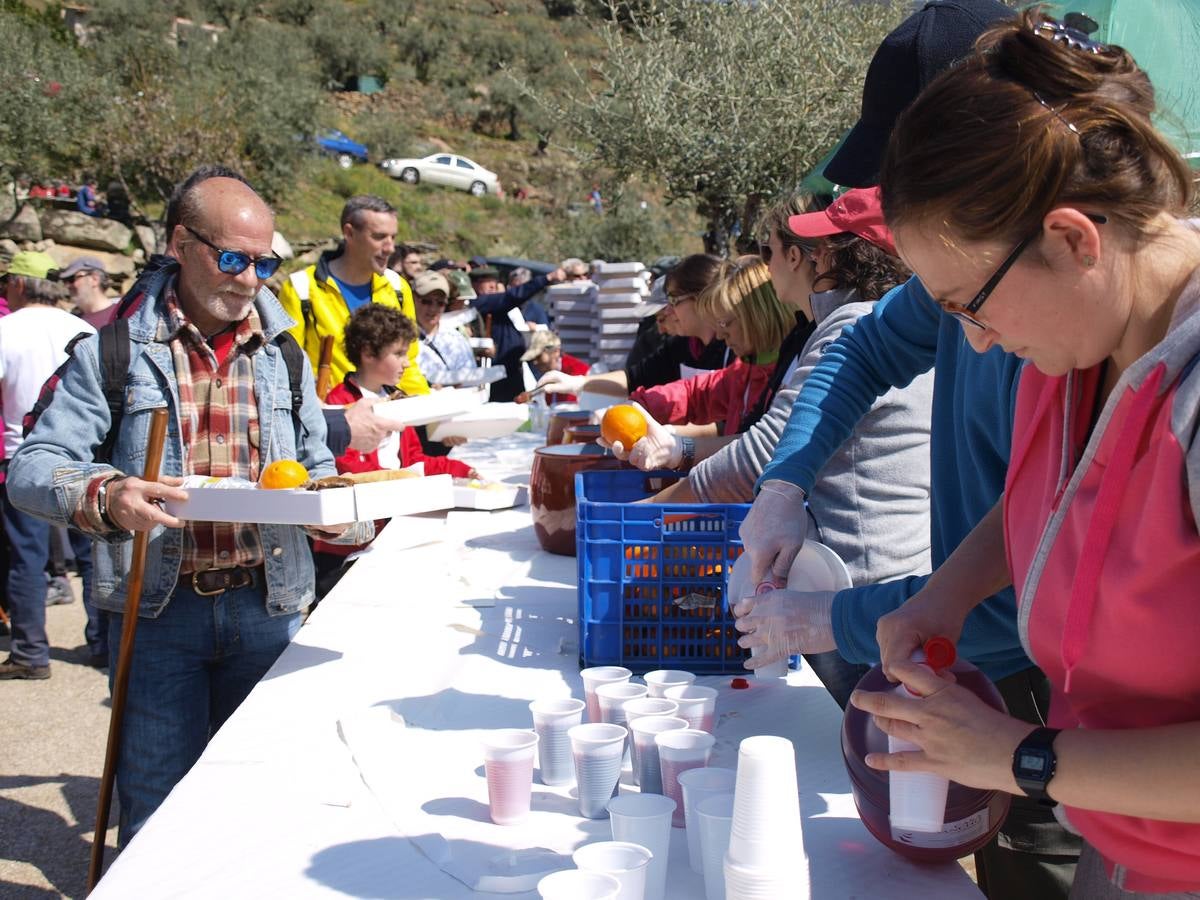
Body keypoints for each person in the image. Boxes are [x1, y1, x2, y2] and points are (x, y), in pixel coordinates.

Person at [733, 0, 1082, 895]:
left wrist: (835, 621)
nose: (968, 336)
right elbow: (863, 347)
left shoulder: (1064, 314)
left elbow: (1048, 567)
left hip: (1050, 696)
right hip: (978, 671)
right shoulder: (982, 276)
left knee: (1037, 866)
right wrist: (786, 482)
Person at [849, 11, 1200, 896]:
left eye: (972, 304)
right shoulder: (1075, 347)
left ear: (1073, 239)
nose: (973, 342)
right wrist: (943, 598)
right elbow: (1062, 502)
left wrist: (1025, 758)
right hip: (1120, 851)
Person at [7, 171, 371, 842]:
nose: (251, 279)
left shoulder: (285, 356)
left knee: (266, 800)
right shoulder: (111, 352)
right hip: (155, 616)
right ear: (180, 243)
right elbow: (29, 469)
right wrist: (107, 494)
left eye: (266, 262)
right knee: (154, 810)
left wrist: (348, 515)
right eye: (233, 258)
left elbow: (317, 469)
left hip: (269, 607)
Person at [314, 305, 477, 595]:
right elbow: (347, 473)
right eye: (399, 353)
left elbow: (414, 461)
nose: (406, 363)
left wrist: (459, 469)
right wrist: (405, 481)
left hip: (391, 531)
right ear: (367, 353)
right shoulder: (339, 407)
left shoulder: (398, 402)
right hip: (344, 547)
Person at [0, 251, 99, 680]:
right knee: (93, 554)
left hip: (19, 459)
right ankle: (104, 641)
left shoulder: (5, 331)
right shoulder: (81, 328)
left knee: (27, 557)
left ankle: (30, 653)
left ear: (20, 284)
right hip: (86, 455)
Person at [617, 257, 792, 438]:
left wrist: (680, 448)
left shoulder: (791, 377)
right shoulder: (745, 369)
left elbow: (752, 447)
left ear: (756, 317)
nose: (720, 335)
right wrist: (641, 406)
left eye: (725, 323)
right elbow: (696, 394)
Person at [278, 195, 429, 396]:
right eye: (379, 237)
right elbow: (287, 368)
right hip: (330, 417)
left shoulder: (398, 288)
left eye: (393, 237)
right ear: (349, 233)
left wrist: (425, 409)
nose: (390, 248)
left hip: (387, 415)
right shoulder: (300, 289)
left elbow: (408, 363)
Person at [537, 254, 731, 399]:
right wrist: (577, 383)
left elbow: (725, 424)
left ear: (700, 299)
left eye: (673, 301)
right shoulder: (681, 346)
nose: (669, 311)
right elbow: (634, 378)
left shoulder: (732, 350)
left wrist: (678, 438)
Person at [469, 263, 566, 402]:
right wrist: (547, 278)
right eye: (486, 281)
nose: (492, 285)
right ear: (475, 285)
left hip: (512, 370)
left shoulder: (497, 305)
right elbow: (513, 296)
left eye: (494, 281)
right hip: (497, 375)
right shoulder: (481, 303)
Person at [413, 270, 477, 386]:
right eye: (426, 301)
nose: (433, 308)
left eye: (440, 303)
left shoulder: (456, 339)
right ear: (413, 299)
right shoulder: (402, 338)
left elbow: (471, 380)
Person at [520, 330, 588, 405]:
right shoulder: (549, 374)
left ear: (556, 351)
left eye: (538, 356)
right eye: (533, 358)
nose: (535, 362)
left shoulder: (577, 371)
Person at [57, 255, 118, 327]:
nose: (68, 286)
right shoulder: (72, 319)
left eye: (72, 279)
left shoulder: (118, 315)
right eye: (65, 281)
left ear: (95, 279)